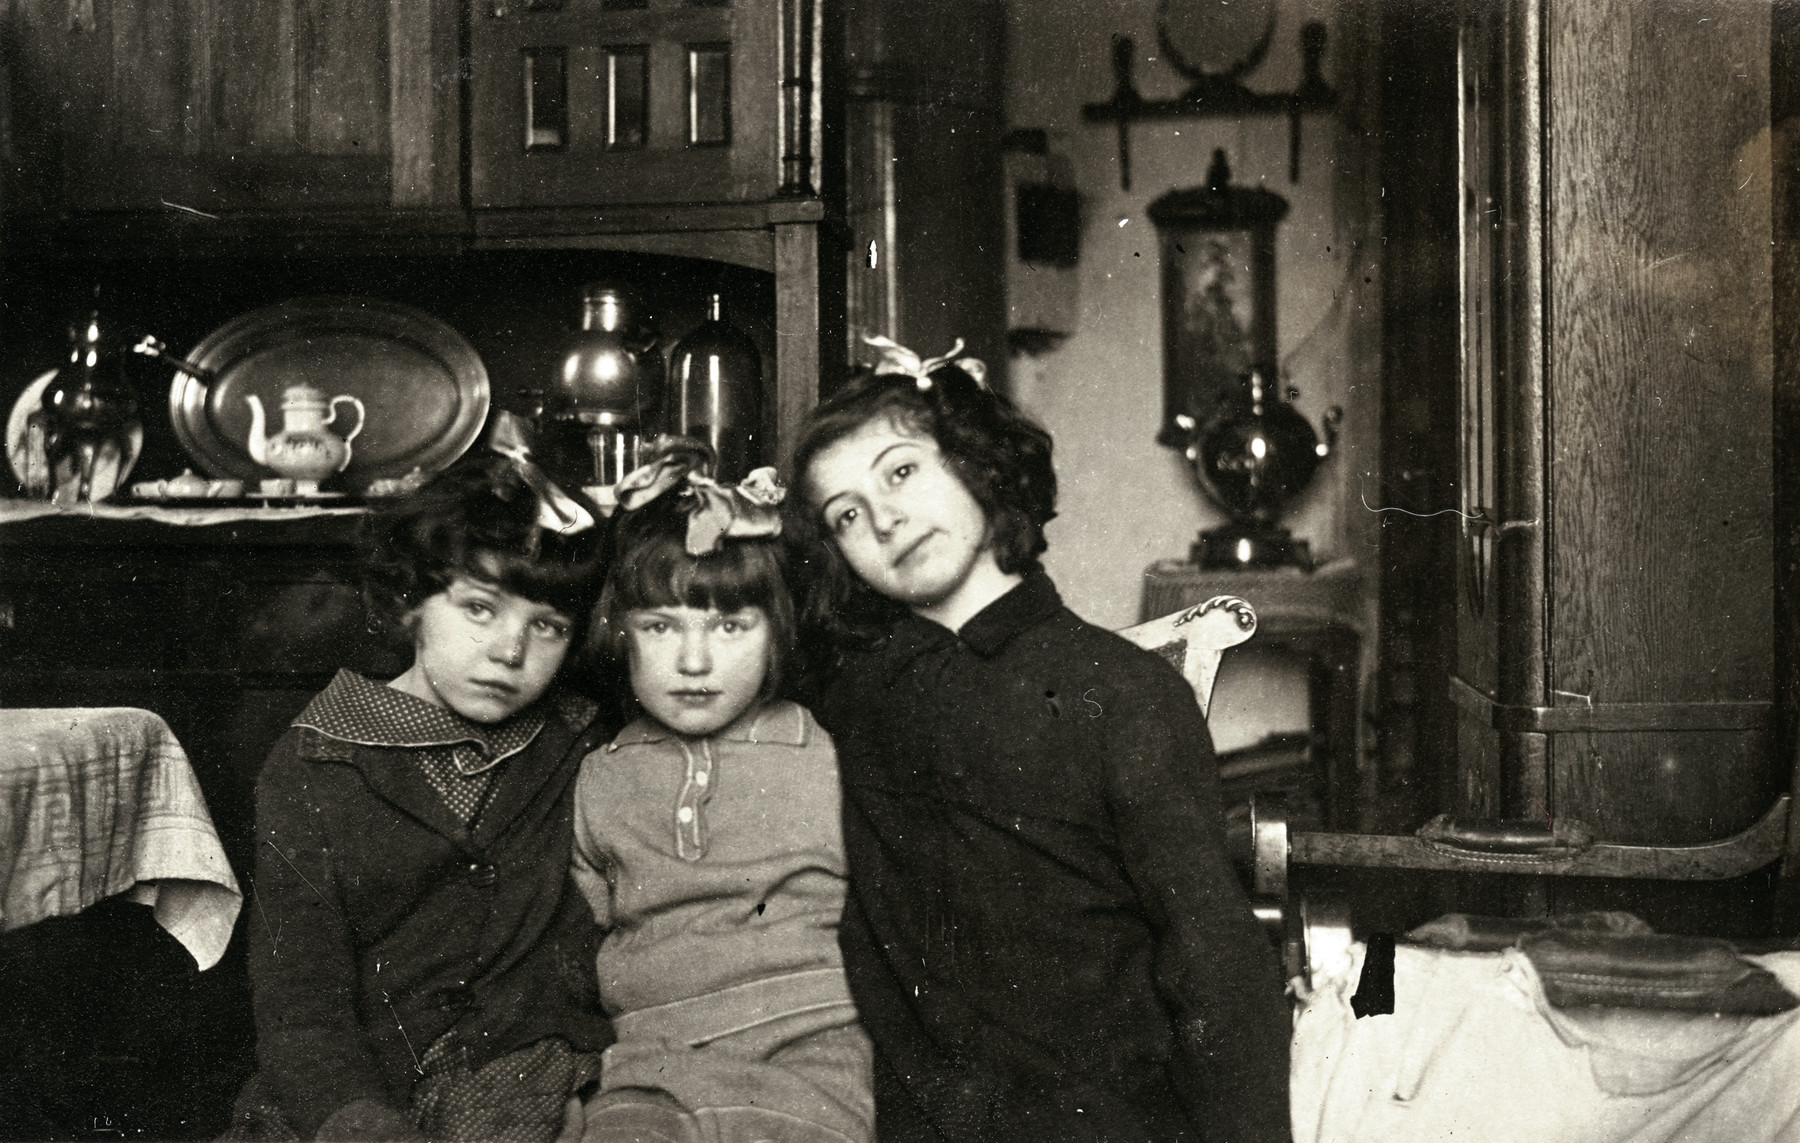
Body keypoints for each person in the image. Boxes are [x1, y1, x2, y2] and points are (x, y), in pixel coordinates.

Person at [788, 338, 1292, 1143]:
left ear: (976, 459)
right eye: (844, 513)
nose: (882, 517)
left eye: (902, 470)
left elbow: (1216, 967)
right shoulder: (855, 696)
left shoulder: (1122, 692)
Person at [237, 418, 617, 1143]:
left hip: (526, 1079)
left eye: (549, 626)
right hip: (352, 1088)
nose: (510, 650)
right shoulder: (314, 764)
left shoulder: (577, 740)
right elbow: (299, 1003)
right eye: (480, 607)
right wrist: (358, 1124)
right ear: (412, 598)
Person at [567, 439, 875, 1143]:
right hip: (651, 1057)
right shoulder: (600, 777)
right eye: (661, 626)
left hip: (809, 1041)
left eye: (730, 625)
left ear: (779, 635)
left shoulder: (827, 757)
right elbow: (578, 941)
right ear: (622, 633)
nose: (695, 660)